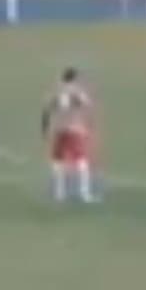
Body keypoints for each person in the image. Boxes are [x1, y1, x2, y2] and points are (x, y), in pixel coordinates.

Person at [42, 68, 98, 204]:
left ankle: (59, 193)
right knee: (81, 161)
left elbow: (47, 110)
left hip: (60, 129)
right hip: (75, 129)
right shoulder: (77, 92)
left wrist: (45, 128)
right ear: (75, 78)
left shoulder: (57, 92)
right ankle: (84, 193)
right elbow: (87, 106)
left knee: (58, 161)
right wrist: (89, 124)